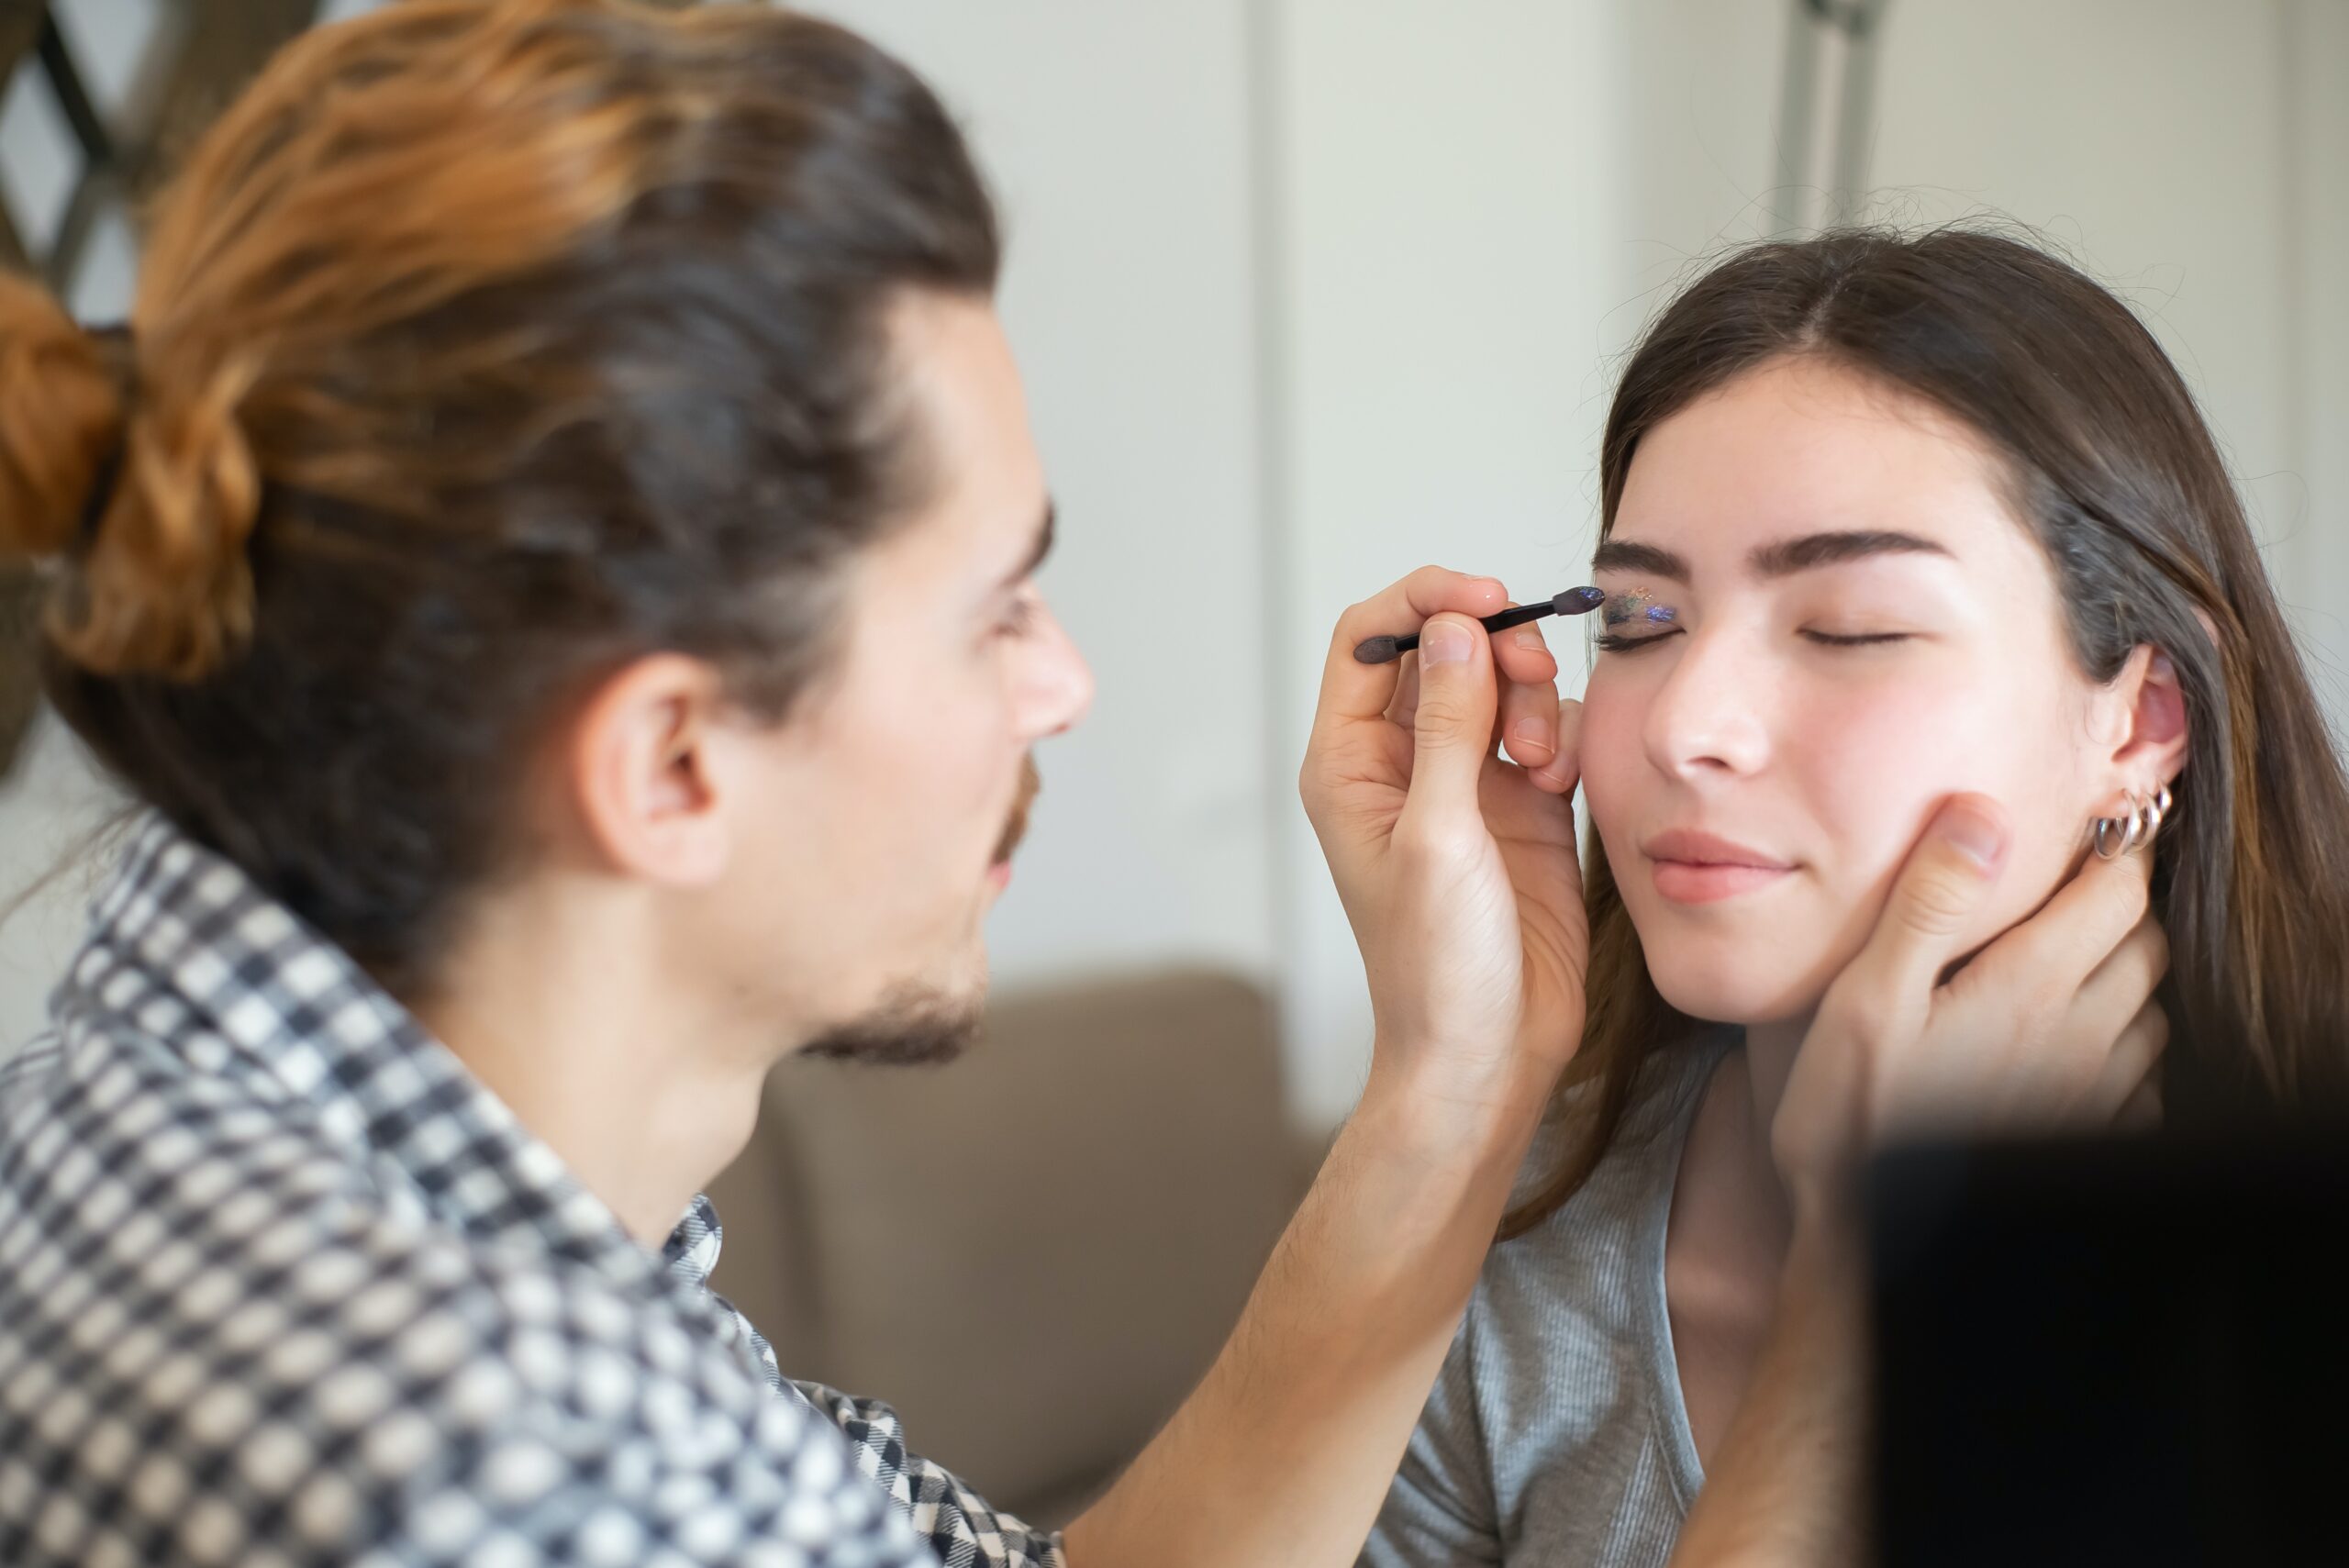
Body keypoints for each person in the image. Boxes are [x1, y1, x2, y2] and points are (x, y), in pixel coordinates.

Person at [0, 4, 2175, 1563]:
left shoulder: (263, 1107)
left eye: (1854, 621)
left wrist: (1458, 1069)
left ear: (2136, 721)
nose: (1067, 687)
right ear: (668, 760)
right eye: (991, 611)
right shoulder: (474, 1457)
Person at [1360, 227, 2349, 1568]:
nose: (1686, 726)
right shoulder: (1519, 1234)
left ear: (2142, 719)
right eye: (1642, 623)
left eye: (1849, 628)